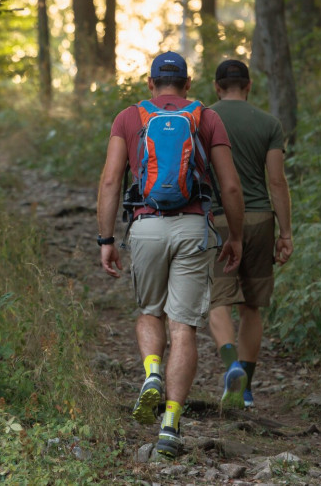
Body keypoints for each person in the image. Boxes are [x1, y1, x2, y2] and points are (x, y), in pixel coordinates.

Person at [96, 51, 244, 458]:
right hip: (194, 227)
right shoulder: (206, 116)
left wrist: (105, 239)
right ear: (188, 82)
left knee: (149, 311)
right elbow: (230, 187)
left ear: (150, 83)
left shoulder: (130, 117)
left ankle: (152, 372)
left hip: (146, 226)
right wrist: (236, 237)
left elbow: (111, 181)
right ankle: (170, 427)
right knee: (184, 328)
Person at [207, 59, 294, 410]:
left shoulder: (203, 118)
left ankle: (231, 369)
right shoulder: (269, 124)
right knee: (252, 306)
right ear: (249, 85)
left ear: (216, 87)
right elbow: (276, 181)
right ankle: (245, 390)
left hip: (216, 219)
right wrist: (285, 232)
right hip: (259, 219)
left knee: (218, 301)